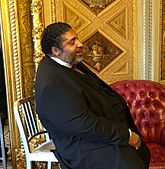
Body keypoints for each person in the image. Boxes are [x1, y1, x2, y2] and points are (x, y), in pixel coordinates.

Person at [35, 22, 150, 169]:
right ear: (56, 51)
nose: (80, 44)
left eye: (77, 38)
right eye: (72, 42)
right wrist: (125, 135)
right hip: (82, 145)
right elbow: (82, 124)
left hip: (95, 135)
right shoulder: (50, 82)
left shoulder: (68, 62)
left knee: (142, 154)